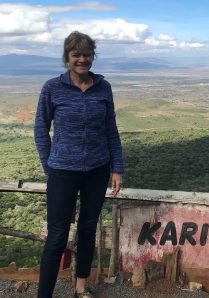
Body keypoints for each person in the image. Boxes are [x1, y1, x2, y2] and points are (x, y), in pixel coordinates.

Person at [34, 31, 124, 298]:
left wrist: (117, 167)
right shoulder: (52, 88)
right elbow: (40, 130)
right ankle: (44, 295)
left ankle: (81, 288)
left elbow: (111, 130)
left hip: (97, 170)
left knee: (87, 229)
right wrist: (50, 166)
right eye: (76, 55)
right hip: (62, 171)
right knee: (57, 236)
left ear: (92, 57)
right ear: (67, 58)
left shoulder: (103, 87)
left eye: (86, 54)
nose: (82, 59)